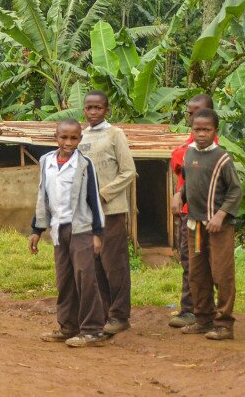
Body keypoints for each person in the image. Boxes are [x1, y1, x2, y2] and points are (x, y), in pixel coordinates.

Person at [30, 118, 107, 348]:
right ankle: (68, 327)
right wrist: (37, 229)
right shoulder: (46, 162)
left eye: (74, 138)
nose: (68, 142)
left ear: (80, 139)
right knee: (64, 279)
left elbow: (94, 198)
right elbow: (42, 196)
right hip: (57, 229)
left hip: (81, 229)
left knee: (85, 278)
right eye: (64, 137)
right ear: (56, 137)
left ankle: (93, 330)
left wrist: (98, 233)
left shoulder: (84, 164)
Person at [176, 108, 242, 341]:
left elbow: (235, 191)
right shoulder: (189, 154)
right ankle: (203, 318)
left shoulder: (222, 158)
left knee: (221, 273)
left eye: (206, 130)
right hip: (195, 224)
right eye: (197, 129)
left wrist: (221, 215)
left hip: (218, 226)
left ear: (215, 132)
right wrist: (179, 196)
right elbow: (188, 182)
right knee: (197, 272)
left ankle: (224, 324)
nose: (201, 134)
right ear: (191, 130)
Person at [79, 90, 137, 336]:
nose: (93, 112)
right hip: (87, 213)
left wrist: (103, 193)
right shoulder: (80, 137)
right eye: (89, 108)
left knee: (114, 264)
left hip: (111, 210)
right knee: (95, 264)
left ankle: (119, 315)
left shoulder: (115, 134)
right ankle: (103, 312)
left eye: (98, 108)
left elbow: (128, 171)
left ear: (107, 109)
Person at [168, 94, 216, 329]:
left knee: (197, 261)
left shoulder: (203, 149)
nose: (191, 118)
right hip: (192, 211)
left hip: (200, 213)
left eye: (196, 113)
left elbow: (178, 159)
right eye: (190, 113)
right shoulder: (194, 146)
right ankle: (199, 307)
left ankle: (193, 309)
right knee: (193, 260)